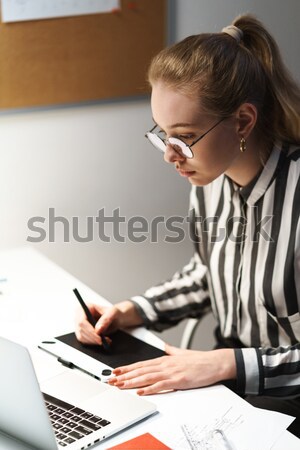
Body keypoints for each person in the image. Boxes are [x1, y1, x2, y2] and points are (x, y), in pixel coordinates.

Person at [75, 14, 300, 437]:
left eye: (184, 137)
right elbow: (208, 272)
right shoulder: (210, 178)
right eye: (162, 134)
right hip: (232, 378)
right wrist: (131, 311)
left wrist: (225, 363)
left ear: (243, 122)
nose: (169, 155)